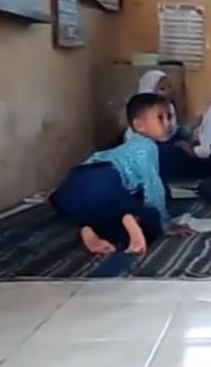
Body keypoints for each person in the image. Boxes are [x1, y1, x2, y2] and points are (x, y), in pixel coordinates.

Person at [49, 93, 192, 256]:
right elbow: (153, 186)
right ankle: (129, 219)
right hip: (105, 178)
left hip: (76, 182)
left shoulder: (128, 146)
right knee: (151, 217)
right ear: (139, 125)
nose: (168, 124)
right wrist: (165, 223)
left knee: (92, 205)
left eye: (169, 117)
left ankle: (88, 228)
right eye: (160, 118)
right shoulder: (146, 147)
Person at [137, 69, 207, 181]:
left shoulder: (169, 106)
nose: (168, 91)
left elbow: (172, 132)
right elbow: (152, 140)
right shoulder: (144, 110)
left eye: (169, 86)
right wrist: (178, 146)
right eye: (162, 89)